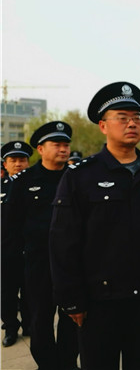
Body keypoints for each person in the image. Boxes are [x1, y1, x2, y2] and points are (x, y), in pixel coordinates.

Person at [49, 82, 140, 369]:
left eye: (136, 117)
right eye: (122, 117)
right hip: (98, 302)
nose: (132, 123)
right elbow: (63, 242)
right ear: (103, 126)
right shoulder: (80, 176)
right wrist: (71, 299)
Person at [4, 122, 79, 369]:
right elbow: (11, 228)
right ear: (40, 149)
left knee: (73, 318)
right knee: (40, 319)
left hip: (72, 264)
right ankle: (47, 365)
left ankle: (68, 363)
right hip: (38, 264)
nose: (63, 149)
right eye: (56, 144)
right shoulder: (24, 181)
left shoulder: (77, 177)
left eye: (66, 144)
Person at [1, 141, 32, 347]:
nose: (18, 164)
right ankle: (10, 328)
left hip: (31, 249)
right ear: (5, 164)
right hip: (5, 251)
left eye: (22, 160)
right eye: (13, 160)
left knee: (31, 291)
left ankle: (30, 324)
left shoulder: (35, 185)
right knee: (7, 292)